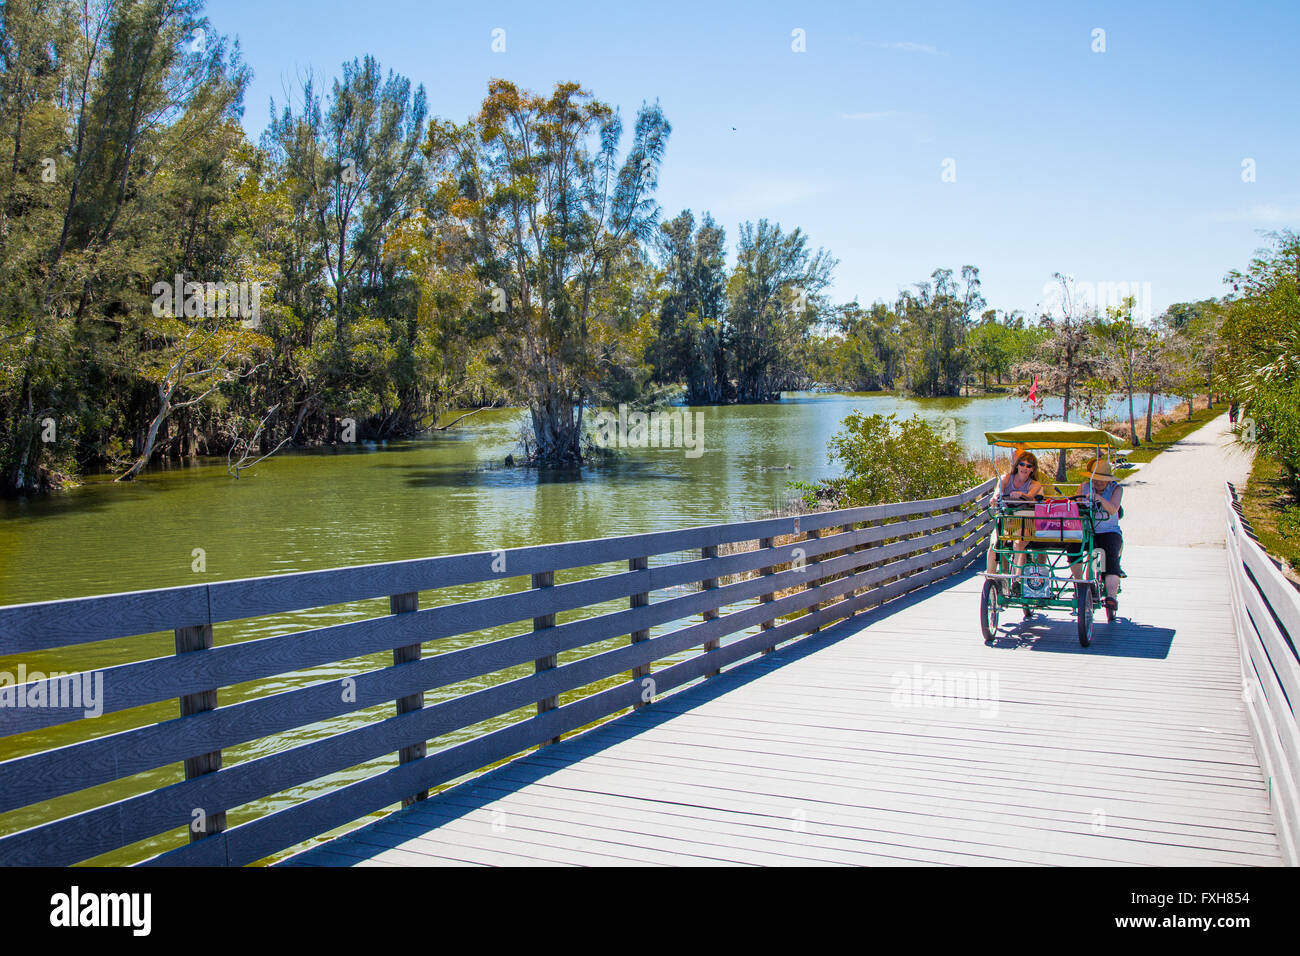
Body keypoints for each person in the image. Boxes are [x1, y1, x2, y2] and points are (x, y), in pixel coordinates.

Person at [1071, 457, 1124, 616]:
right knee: (1073, 548)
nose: (1099, 482)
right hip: (1087, 530)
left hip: (1109, 530)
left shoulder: (1116, 489)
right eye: (1096, 479)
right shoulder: (1084, 487)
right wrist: (1081, 503)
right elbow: (1075, 507)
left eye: (1103, 479)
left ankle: (1111, 597)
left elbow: (1113, 509)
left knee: (1111, 554)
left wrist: (1098, 498)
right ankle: (1080, 584)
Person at [986, 450, 1043, 584]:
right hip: (1006, 519)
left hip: (1025, 521)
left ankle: (1018, 580)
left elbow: (1031, 496)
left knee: (1018, 543)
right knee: (994, 545)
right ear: (1017, 465)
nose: (1024, 468)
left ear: (1032, 469)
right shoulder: (1007, 478)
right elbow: (999, 490)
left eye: (1029, 466)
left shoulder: (1034, 484)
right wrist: (995, 497)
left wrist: (1021, 495)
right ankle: (991, 579)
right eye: (1022, 464)